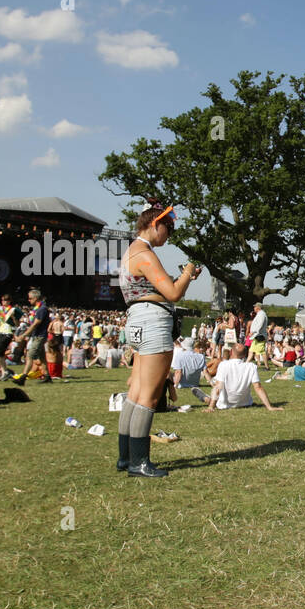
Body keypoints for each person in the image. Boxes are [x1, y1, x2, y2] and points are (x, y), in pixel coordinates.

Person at [117, 198, 204, 477]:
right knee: (150, 396)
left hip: (137, 319)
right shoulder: (145, 253)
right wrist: (188, 271)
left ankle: (125, 457)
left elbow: (166, 289)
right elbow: (173, 294)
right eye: (168, 228)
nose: (169, 234)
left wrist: (185, 278)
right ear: (155, 224)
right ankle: (139, 461)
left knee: (135, 393)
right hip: (152, 321)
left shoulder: (131, 251)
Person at [200, 343, 283, 410]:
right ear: (244, 355)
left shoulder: (223, 365)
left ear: (231, 352)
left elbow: (218, 387)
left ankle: (207, 399)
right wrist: (269, 407)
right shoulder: (251, 366)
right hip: (245, 404)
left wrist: (211, 407)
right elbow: (258, 387)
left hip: (224, 405)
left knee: (215, 385)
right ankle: (208, 398)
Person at [11, 289, 51, 386]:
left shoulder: (42, 309)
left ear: (36, 298)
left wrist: (24, 335)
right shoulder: (38, 309)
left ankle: (23, 377)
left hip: (40, 336)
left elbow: (35, 324)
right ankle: (47, 376)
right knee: (42, 358)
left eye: (30, 298)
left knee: (30, 355)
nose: (28, 300)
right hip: (37, 335)